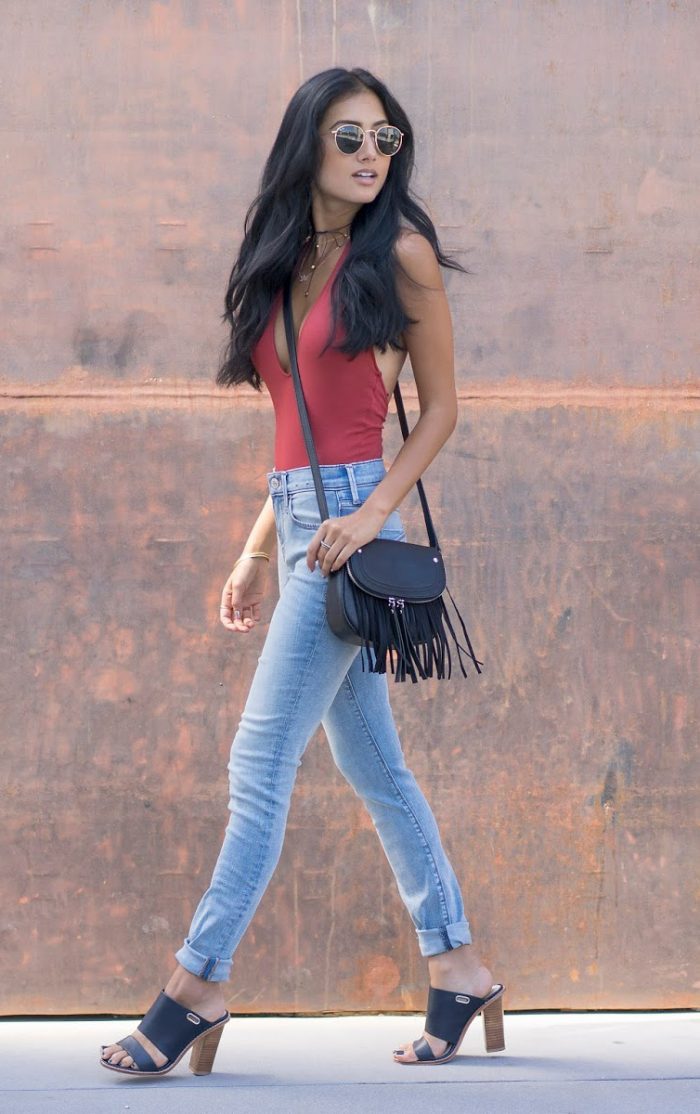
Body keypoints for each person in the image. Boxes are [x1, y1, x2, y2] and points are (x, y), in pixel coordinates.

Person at [100, 65, 504, 1078]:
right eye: (349, 138)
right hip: (298, 524)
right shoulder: (284, 264)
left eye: (385, 139)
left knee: (258, 758)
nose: (372, 156)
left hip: (351, 528)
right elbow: (296, 436)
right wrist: (253, 552)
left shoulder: (401, 252)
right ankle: (460, 964)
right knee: (374, 768)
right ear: (307, 147)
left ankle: (196, 980)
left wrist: (370, 515)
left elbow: (440, 410)